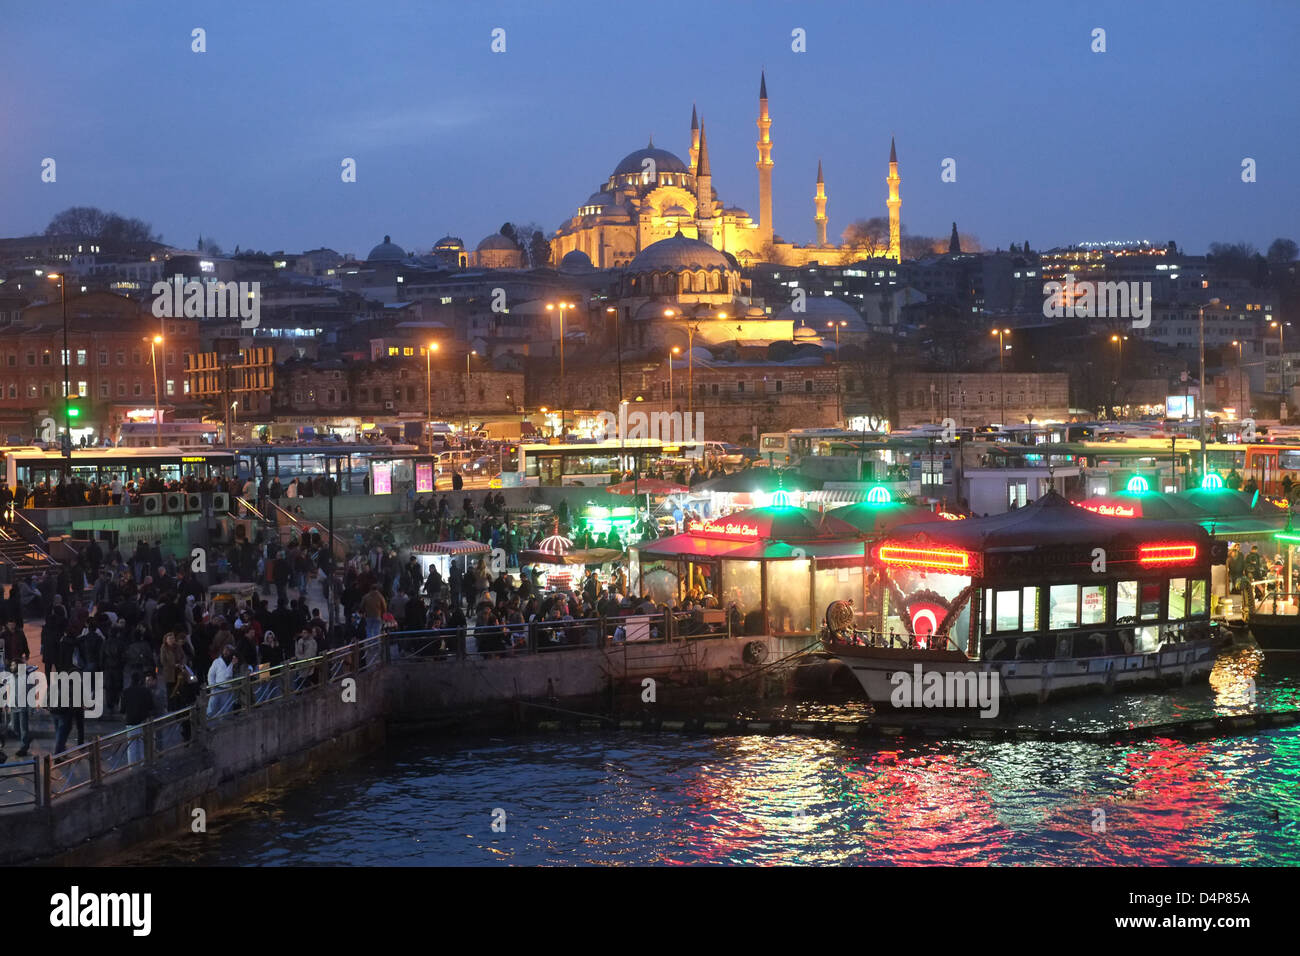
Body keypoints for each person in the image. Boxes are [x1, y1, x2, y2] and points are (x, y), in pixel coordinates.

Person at [122, 671, 154, 765]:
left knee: (131, 746)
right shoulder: (145, 691)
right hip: (142, 720)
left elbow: (122, 709)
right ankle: (142, 762)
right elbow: (151, 706)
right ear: (140, 680)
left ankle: (132, 765)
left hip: (130, 721)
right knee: (141, 743)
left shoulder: (126, 692)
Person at [206, 644, 239, 717]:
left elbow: (230, 675)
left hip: (228, 689)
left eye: (228, 651)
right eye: (225, 650)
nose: (226, 652)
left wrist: (233, 665)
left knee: (226, 709)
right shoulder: (217, 661)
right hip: (217, 688)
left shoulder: (234, 662)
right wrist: (212, 686)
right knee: (212, 708)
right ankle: (208, 722)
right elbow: (210, 674)